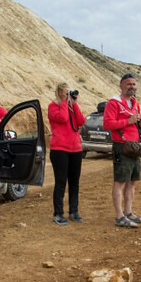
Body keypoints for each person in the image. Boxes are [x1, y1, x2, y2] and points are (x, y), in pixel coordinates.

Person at [103, 73, 141, 228]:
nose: (132, 87)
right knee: (120, 182)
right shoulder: (114, 103)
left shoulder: (135, 103)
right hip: (122, 145)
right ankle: (119, 216)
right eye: (128, 84)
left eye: (134, 84)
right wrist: (127, 121)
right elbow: (107, 124)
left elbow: (135, 122)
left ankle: (128, 213)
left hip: (135, 146)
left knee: (132, 181)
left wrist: (140, 125)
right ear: (121, 86)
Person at [47, 83, 86, 225]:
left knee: (74, 182)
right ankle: (58, 213)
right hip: (59, 149)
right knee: (61, 182)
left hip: (75, 148)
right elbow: (63, 118)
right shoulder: (53, 107)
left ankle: (74, 211)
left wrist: (74, 104)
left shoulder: (70, 107)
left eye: (67, 92)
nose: (67, 95)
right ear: (58, 92)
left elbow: (81, 121)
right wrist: (63, 101)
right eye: (64, 92)